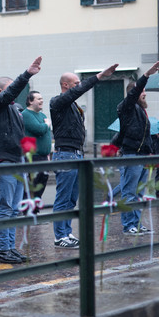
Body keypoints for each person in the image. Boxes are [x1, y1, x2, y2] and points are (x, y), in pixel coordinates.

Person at [49, 64, 117, 249]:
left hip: (75, 154)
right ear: (65, 85)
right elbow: (74, 93)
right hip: (65, 155)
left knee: (71, 198)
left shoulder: (72, 105)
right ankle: (59, 236)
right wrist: (98, 77)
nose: (79, 86)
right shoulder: (57, 102)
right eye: (76, 83)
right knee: (63, 198)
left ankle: (67, 232)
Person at [0, 58, 42, 264]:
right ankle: (3, 250)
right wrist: (27, 74)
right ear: (1, 91)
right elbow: (10, 93)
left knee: (14, 209)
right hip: (3, 162)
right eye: (10, 89)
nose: (15, 93)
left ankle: (10, 247)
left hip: (17, 162)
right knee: (4, 207)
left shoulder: (15, 108)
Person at [116, 62, 159, 235]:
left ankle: (137, 223)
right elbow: (134, 93)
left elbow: (145, 135)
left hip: (141, 155)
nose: (145, 94)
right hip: (131, 155)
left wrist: (150, 152)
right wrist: (146, 76)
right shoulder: (126, 107)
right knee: (129, 192)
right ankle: (129, 226)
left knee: (139, 194)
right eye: (142, 91)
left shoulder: (141, 111)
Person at [21, 91, 52, 198]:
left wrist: (48, 154)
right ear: (30, 101)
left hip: (43, 157)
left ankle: (35, 208)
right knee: (32, 187)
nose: (41, 101)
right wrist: (46, 124)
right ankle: (28, 211)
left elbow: (47, 134)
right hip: (33, 158)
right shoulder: (26, 114)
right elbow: (39, 129)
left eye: (42, 98)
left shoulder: (42, 115)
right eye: (38, 99)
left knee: (41, 184)